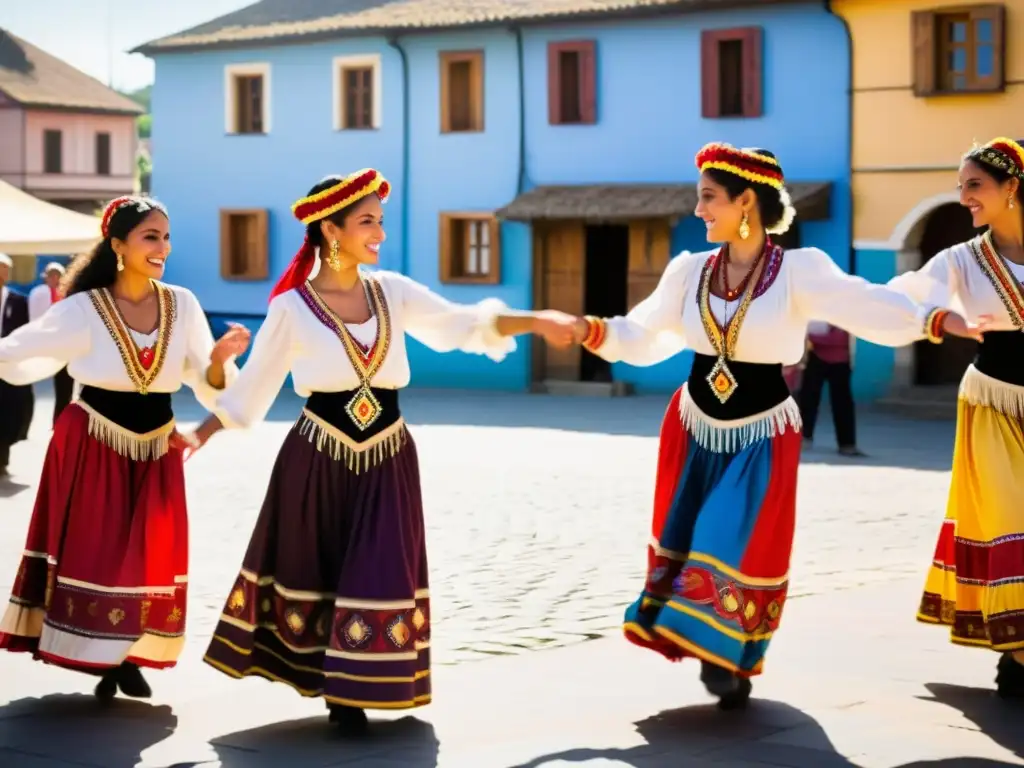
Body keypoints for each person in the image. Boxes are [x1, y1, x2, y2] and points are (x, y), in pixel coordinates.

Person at [569, 143, 980, 709]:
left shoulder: (799, 270)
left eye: (708, 199)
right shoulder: (689, 271)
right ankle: (715, 654)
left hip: (761, 432)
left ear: (746, 202)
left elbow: (865, 305)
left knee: (732, 537)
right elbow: (646, 334)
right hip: (693, 427)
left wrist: (933, 319)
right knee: (689, 539)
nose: (698, 211)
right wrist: (593, 330)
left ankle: (727, 655)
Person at [184, 169, 578, 733]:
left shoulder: (391, 291)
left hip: (388, 455)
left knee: (379, 564)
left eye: (380, 222)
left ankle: (358, 686)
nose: (378, 234)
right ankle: (334, 687)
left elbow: (461, 323)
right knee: (318, 565)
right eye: (367, 222)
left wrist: (535, 321)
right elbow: (253, 389)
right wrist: (200, 433)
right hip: (318, 455)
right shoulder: (293, 307)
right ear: (331, 229)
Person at [0, 195, 250, 700]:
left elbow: (209, 381)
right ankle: (105, 657)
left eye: (165, 236)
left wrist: (220, 358)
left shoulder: (181, 304)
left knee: (149, 551)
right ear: (118, 246)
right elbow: (16, 352)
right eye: (150, 237)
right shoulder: (83, 307)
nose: (163, 247)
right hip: (93, 439)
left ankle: (127, 650)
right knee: (97, 550)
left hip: (157, 446)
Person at [886, 137, 1024, 699]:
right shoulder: (961, 260)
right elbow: (896, 300)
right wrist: (941, 318)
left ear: (1012, 187)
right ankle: (1015, 649)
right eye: (960, 186)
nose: (963, 196)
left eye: (975, 185)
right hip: (993, 403)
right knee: (1008, 517)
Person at [798, 321, 864, 456]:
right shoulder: (817, 314)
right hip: (816, 359)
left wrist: (813, 337)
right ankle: (804, 437)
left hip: (841, 363)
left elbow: (839, 340)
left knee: (843, 405)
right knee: (808, 400)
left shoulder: (847, 316)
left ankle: (847, 444)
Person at [28, 262, 75, 425]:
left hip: (64, 346)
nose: (55, 278)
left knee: (65, 386)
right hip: (47, 343)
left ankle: (60, 420)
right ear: (46, 277)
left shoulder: (69, 294)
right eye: (51, 275)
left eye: (58, 275)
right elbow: (35, 318)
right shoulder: (39, 293)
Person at [0, 252, 33, 478]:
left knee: (8, 412)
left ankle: (2, 458)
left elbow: (25, 333)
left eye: (4, 268)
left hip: (8, 365)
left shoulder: (19, 301)